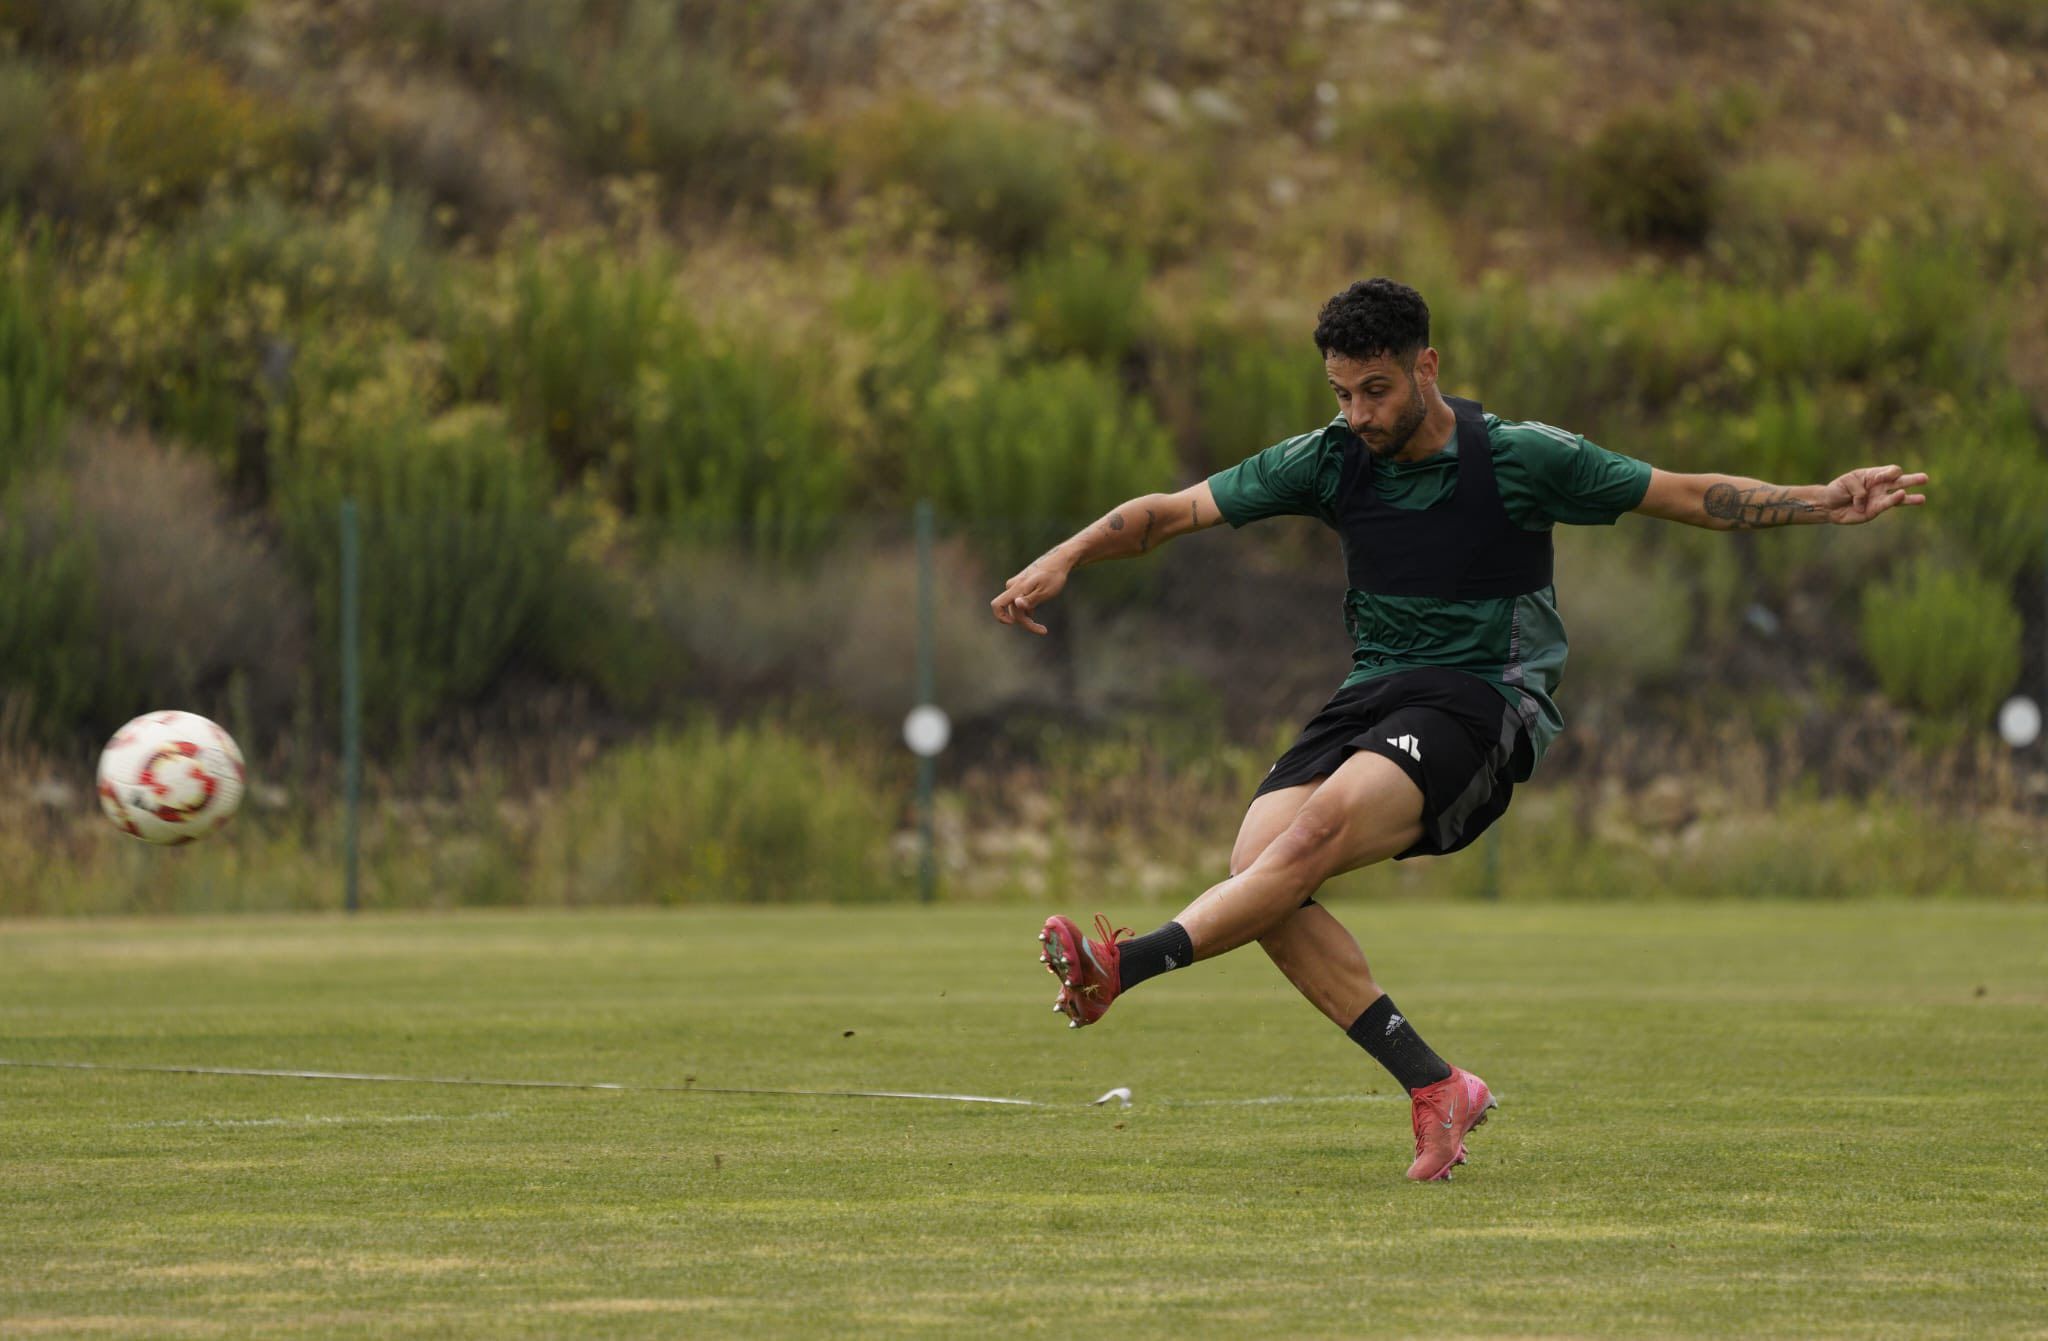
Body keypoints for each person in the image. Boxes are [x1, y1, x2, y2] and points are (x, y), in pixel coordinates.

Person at [989, 277, 1928, 1182]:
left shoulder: (1521, 456)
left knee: (1302, 846)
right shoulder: (1328, 458)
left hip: (1486, 699)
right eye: (1342, 392)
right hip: (1373, 694)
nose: (1357, 412)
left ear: (1426, 365)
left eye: (1376, 390)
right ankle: (1438, 1085)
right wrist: (1065, 553)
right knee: (1258, 877)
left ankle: (1123, 965)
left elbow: (1683, 494)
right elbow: (1172, 513)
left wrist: (1821, 499)